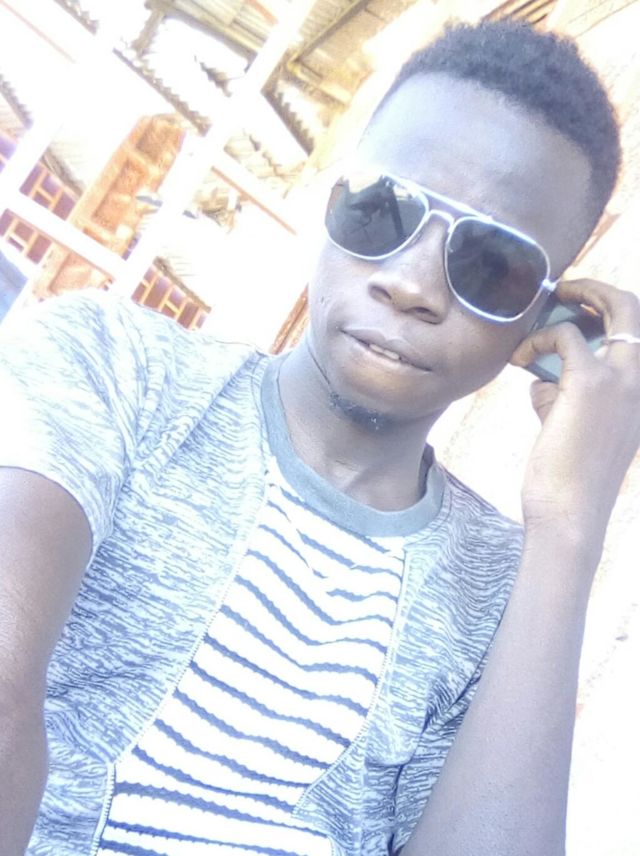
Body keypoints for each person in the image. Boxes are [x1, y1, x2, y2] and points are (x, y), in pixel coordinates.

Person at [1, 18, 639, 856]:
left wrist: (569, 530)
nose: (410, 283)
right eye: (381, 209)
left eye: (492, 264)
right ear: (334, 201)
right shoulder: (114, 367)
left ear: (548, 318)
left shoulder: (503, 589)